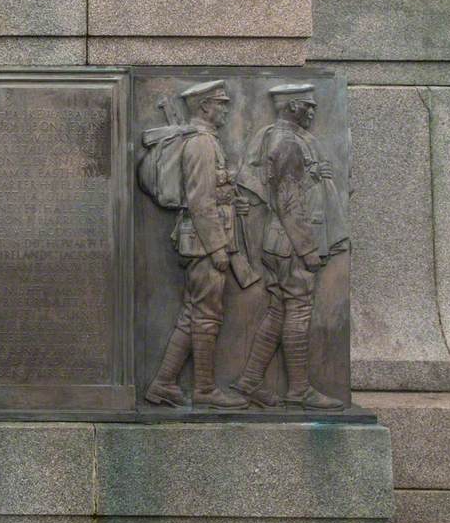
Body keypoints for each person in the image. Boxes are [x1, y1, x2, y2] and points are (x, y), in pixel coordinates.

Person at [231, 84, 349, 410]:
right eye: (307, 106)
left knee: (278, 311)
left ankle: (250, 380)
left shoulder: (286, 140)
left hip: (280, 243)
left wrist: (317, 177)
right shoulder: (286, 143)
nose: (313, 112)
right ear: (291, 106)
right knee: (298, 310)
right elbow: (288, 201)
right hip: (291, 245)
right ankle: (298, 389)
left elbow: (294, 188)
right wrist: (308, 249)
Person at [145, 80, 249, 410]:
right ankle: (204, 389)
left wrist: (232, 201)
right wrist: (218, 247)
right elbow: (200, 200)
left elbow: (212, 194)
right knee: (207, 315)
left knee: (193, 314)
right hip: (204, 244)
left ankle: (163, 384)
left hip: (202, 240)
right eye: (221, 104)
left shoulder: (206, 141)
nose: (226, 110)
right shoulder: (202, 144)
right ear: (204, 107)